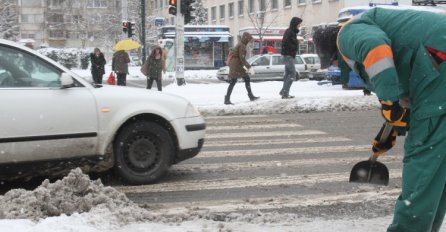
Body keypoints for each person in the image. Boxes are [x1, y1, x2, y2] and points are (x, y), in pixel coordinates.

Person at [313, 8, 446, 232]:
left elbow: (377, 49)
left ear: (333, 53)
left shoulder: (347, 34)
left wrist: (389, 100)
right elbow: (401, 76)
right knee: (438, 162)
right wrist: (393, 125)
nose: (336, 67)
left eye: (333, 63)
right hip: (435, 70)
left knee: (423, 156)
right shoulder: (383, 28)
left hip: (437, 64)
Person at [225, 32, 259, 105]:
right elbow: (242, 58)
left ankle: (250, 96)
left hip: (236, 65)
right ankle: (227, 99)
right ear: (246, 39)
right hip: (236, 66)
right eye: (249, 39)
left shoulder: (240, 44)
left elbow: (241, 58)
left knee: (244, 79)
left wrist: (246, 67)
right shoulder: (242, 46)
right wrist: (249, 67)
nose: (250, 41)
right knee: (234, 82)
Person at [279, 16, 302, 99]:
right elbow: (287, 44)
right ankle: (284, 92)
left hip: (287, 56)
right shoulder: (290, 32)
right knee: (292, 74)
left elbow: (287, 43)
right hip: (288, 56)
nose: (299, 25)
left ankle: (284, 92)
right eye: (299, 24)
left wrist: (295, 42)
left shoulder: (290, 31)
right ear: (295, 24)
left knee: (288, 74)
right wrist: (296, 42)